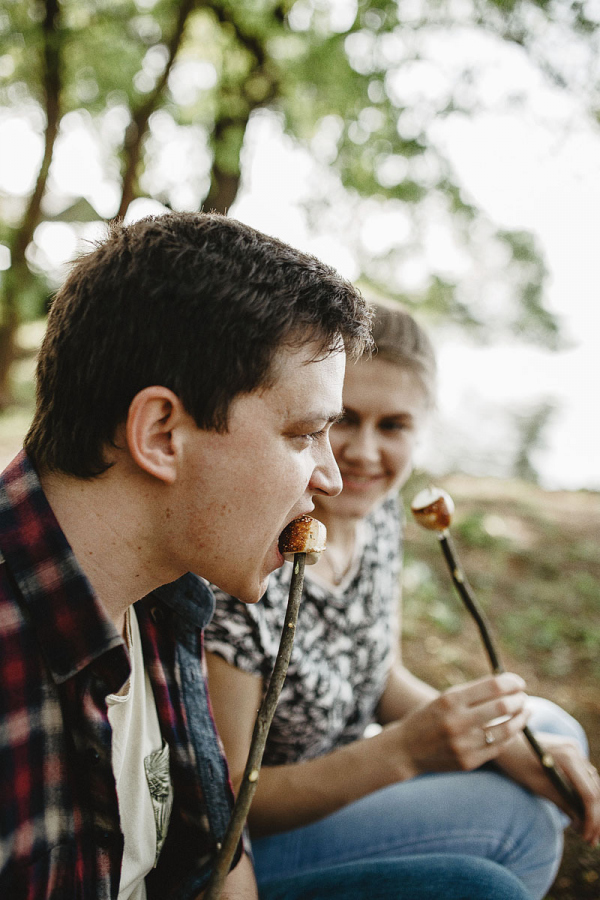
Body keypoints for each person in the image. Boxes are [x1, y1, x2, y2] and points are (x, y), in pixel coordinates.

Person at [0, 212, 534, 900]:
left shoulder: (167, 590)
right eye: (304, 434)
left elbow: (211, 858)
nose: (333, 476)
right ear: (162, 434)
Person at [205, 299, 600, 900]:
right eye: (343, 420)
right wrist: (407, 754)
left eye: (393, 426)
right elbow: (225, 797)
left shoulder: (380, 514)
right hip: (255, 838)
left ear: (423, 425)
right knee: (521, 826)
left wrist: (493, 739)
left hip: (350, 764)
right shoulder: (247, 562)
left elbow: (380, 673)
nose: (363, 453)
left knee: (546, 726)